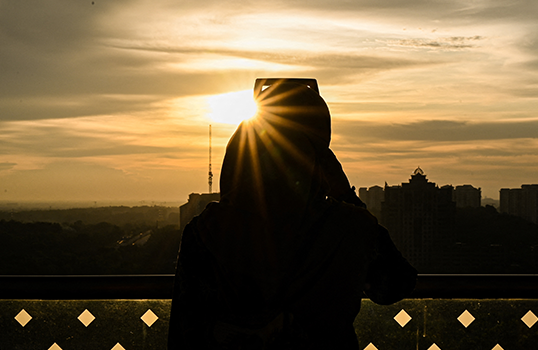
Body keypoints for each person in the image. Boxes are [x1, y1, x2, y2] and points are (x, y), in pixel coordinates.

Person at [168, 81, 417, 350]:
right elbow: (395, 285)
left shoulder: (206, 232)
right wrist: (345, 195)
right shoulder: (350, 227)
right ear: (318, 161)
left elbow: (184, 334)